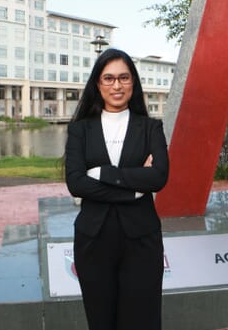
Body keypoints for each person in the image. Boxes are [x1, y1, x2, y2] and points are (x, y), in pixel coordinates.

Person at [64, 48, 169, 330]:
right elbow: (76, 183)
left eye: (123, 77)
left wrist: (103, 174)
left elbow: (158, 177)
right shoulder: (80, 130)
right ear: (97, 84)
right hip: (93, 239)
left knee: (143, 320)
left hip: (142, 239)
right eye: (108, 78)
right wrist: (134, 187)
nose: (117, 85)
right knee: (102, 321)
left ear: (133, 82)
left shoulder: (150, 128)